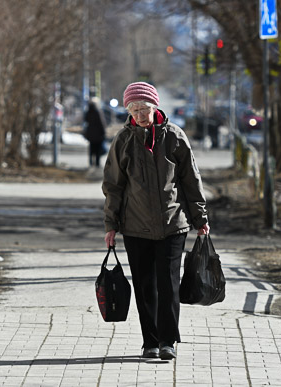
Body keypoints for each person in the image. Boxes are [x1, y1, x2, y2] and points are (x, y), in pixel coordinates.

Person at [102, 82, 210, 360]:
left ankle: (168, 341)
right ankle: (149, 342)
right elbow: (113, 186)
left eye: (145, 108)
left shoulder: (174, 136)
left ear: (155, 107)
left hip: (173, 223)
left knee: (168, 283)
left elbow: (190, 180)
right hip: (135, 226)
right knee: (144, 285)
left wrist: (200, 218)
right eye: (134, 109)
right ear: (128, 111)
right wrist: (111, 225)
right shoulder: (123, 140)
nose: (140, 114)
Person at [84, 98, 106, 167]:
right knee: (98, 149)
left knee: (91, 148)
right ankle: (97, 163)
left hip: (90, 133)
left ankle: (90, 162)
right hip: (98, 134)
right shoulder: (97, 112)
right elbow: (101, 123)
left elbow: (86, 120)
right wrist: (103, 132)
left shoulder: (87, 112)